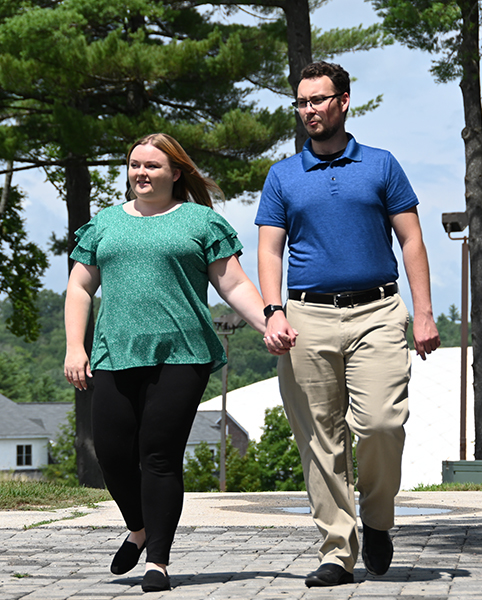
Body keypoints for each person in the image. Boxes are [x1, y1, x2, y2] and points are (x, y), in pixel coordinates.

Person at [256, 61, 440, 587]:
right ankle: (338, 550)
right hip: (306, 315)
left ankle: (378, 519)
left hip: (378, 312)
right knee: (320, 439)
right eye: (301, 102)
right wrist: (273, 311)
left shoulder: (381, 165)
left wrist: (423, 312)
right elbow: (270, 250)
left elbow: (412, 241)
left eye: (318, 100)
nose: (309, 110)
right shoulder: (283, 176)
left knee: (381, 423)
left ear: (343, 101)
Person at [64, 133, 273, 593]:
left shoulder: (200, 221)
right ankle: (138, 530)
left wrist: (269, 324)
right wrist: (74, 348)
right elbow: (79, 288)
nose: (141, 172)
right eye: (135, 164)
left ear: (175, 173)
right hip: (115, 354)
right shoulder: (104, 224)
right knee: (113, 455)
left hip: (183, 354)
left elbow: (233, 285)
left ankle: (157, 560)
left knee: (158, 455)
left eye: (152, 166)